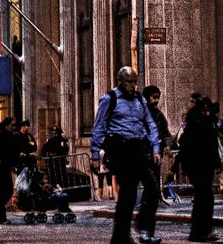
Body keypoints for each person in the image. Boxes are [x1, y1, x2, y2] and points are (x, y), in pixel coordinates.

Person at [91, 66, 161, 244]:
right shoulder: (110, 99)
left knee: (153, 188)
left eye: (135, 82)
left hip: (139, 149)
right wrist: (95, 154)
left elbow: (150, 124)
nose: (133, 86)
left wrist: (156, 148)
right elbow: (99, 126)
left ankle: (143, 226)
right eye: (130, 82)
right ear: (120, 81)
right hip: (121, 150)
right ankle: (121, 237)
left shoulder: (139, 99)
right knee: (128, 195)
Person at [178, 94, 221, 243]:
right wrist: (173, 168)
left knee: (206, 198)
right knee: (204, 197)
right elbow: (184, 146)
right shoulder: (196, 124)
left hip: (205, 165)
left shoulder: (209, 124)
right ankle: (198, 232)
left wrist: (218, 166)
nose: (207, 112)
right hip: (196, 166)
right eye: (204, 109)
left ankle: (204, 231)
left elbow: (213, 146)